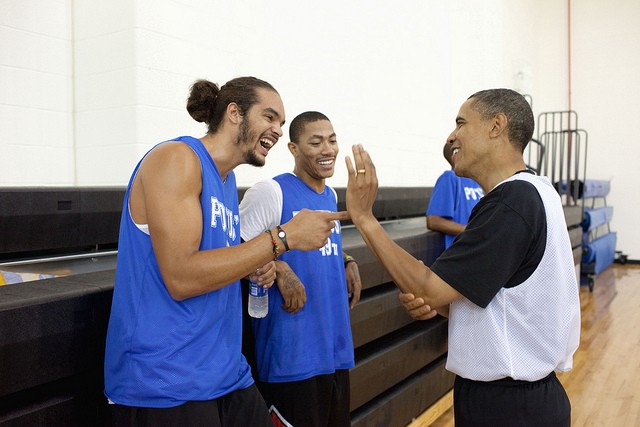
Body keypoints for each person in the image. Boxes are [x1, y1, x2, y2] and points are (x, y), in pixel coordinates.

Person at [103, 77, 348, 427]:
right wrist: (281, 238)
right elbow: (182, 276)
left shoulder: (226, 180)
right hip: (166, 383)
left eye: (281, 122)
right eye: (269, 117)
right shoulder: (176, 158)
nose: (278, 130)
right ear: (235, 113)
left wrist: (258, 266)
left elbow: (217, 262)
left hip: (225, 373)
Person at [343, 89, 580, 427]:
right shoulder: (539, 190)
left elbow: (428, 289)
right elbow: (507, 301)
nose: (451, 136)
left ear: (496, 126)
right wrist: (444, 304)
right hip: (524, 399)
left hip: (509, 406)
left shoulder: (510, 202)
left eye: (461, 123)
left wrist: (364, 218)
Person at [239, 111, 360, 427]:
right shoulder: (271, 192)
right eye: (316, 142)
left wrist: (345, 260)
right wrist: (279, 267)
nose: (328, 149)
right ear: (293, 148)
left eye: (332, 140)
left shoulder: (331, 195)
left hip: (333, 352)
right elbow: (234, 254)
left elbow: (313, 248)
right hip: (290, 359)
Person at [426, 142, 484, 249]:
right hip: (461, 253)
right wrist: (473, 231)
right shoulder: (450, 178)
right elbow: (433, 221)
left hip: (478, 251)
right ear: (455, 154)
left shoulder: (477, 182)